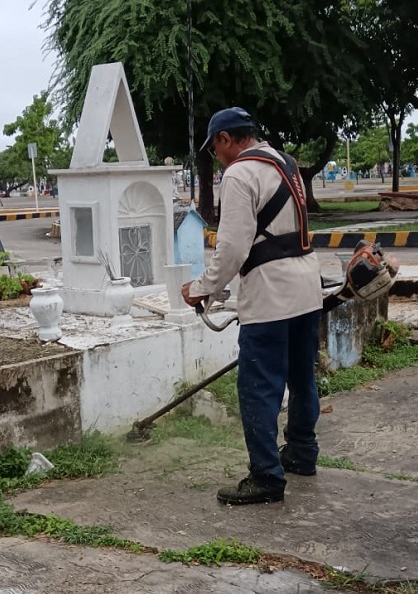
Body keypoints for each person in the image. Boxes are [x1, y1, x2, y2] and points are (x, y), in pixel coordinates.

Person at [181, 107, 323, 505]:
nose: (216, 158)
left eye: (214, 150)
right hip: (307, 286)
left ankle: (265, 476)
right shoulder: (286, 163)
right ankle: (301, 453)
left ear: (225, 139)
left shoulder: (240, 174)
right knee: (301, 377)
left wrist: (201, 288)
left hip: (271, 293)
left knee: (258, 386)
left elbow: (232, 248)